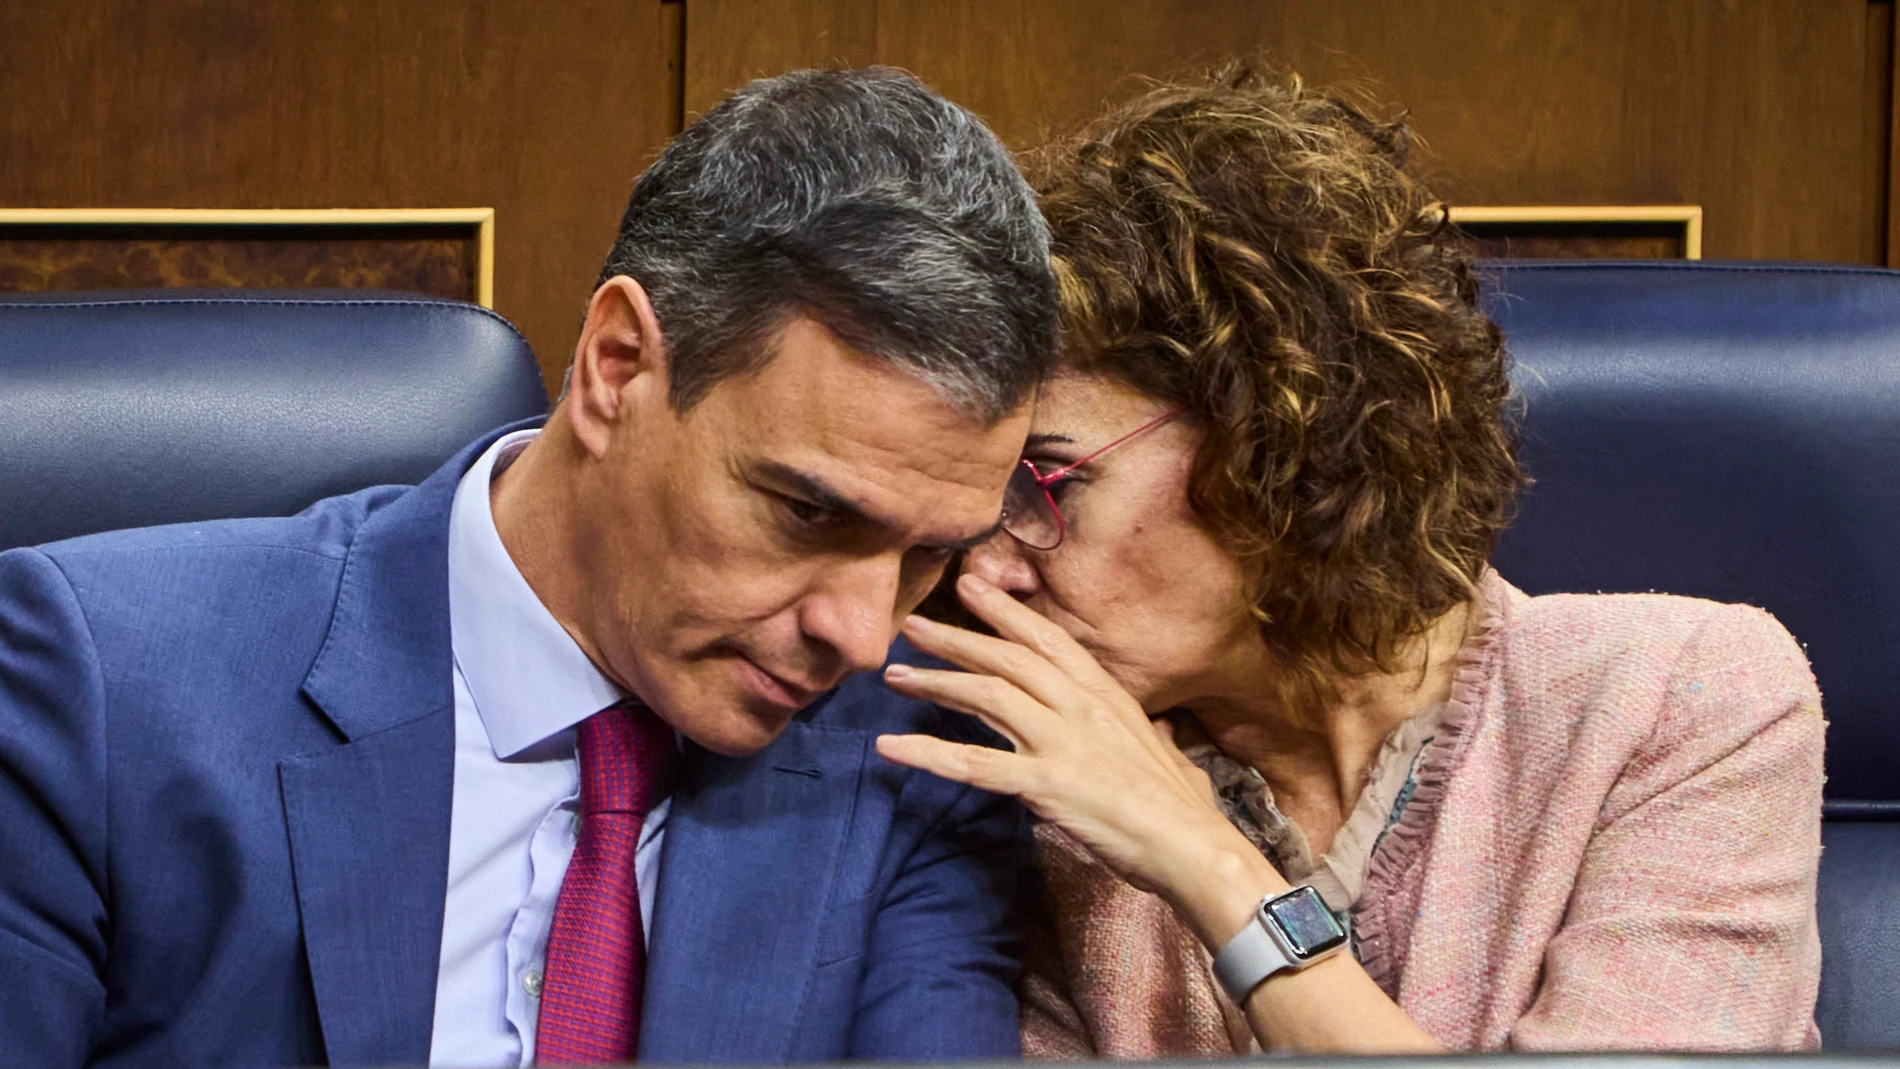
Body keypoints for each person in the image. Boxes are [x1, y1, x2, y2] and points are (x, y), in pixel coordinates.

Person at [0, 68, 1056, 1069]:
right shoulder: (100, 690)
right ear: (617, 367)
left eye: (929, 552)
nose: (863, 633)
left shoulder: (913, 757)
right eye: (808, 513)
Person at [875, 64, 1825, 1053]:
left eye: (1048, 484)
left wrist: (1208, 865)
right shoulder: (1046, 790)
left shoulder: (1679, 698)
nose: (983, 575)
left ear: (1274, 443)